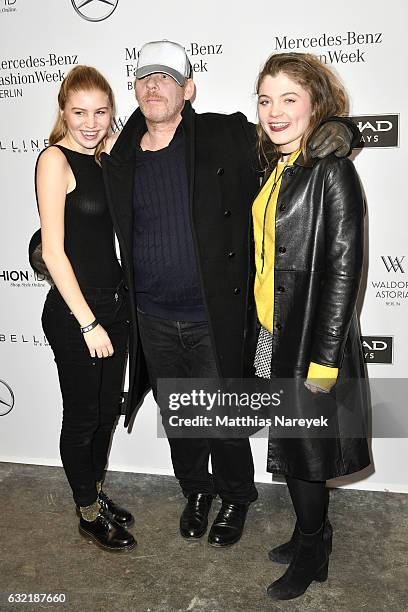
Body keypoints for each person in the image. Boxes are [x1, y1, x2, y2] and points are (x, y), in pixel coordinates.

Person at [102, 40, 359, 548]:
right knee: (181, 419)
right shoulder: (118, 151)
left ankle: (237, 496)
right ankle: (196, 492)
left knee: (225, 417)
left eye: (167, 78)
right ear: (134, 89)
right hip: (151, 314)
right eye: (144, 78)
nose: (154, 86)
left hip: (212, 313)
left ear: (188, 89)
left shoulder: (224, 133)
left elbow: (293, 137)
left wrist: (340, 130)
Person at [251, 52, 370, 599]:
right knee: (294, 446)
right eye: (265, 99)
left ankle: (313, 546)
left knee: (306, 453)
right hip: (275, 334)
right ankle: (308, 535)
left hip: (310, 342)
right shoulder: (278, 164)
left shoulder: (332, 170)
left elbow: (345, 272)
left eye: (289, 99)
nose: (274, 112)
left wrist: (323, 361)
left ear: (316, 105)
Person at [36, 66, 136, 552]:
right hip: (78, 314)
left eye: (101, 112)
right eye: (80, 112)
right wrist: (89, 322)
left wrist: (114, 144)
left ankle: (94, 489)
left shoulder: (105, 157)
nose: (91, 122)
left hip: (114, 309)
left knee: (105, 413)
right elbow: (53, 252)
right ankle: (88, 512)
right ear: (63, 112)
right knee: (82, 417)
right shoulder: (55, 159)